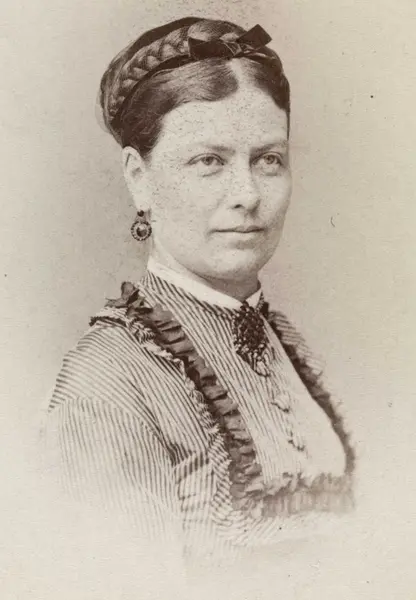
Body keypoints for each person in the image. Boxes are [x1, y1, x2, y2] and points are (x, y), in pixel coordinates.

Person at [42, 16, 356, 570]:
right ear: (138, 177)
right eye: (209, 161)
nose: (248, 194)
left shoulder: (291, 346)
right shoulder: (108, 382)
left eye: (268, 159)